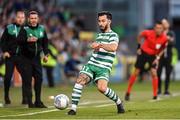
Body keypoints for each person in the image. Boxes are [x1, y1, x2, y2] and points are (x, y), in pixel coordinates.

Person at [67, 11, 125, 115]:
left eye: (103, 21)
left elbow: (113, 47)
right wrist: (94, 48)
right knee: (80, 80)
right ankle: (73, 109)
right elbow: (98, 50)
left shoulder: (114, 35)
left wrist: (100, 45)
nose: (100, 23)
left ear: (109, 21)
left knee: (102, 88)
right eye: (99, 21)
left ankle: (119, 102)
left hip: (104, 67)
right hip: (92, 64)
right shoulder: (99, 35)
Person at [124, 21, 168, 101]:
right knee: (136, 72)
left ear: (162, 29)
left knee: (154, 73)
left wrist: (158, 57)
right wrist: (138, 47)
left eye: (160, 28)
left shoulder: (164, 38)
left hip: (153, 56)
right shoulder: (147, 33)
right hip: (143, 53)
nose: (159, 30)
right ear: (154, 28)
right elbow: (140, 36)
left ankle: (155, 95)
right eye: (157, 28)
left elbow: (163, 48)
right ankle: (128, 92)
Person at [18, 11, 49, 108]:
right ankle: (30, 102)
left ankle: (38, 101)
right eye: (32, 18)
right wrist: (27, 40)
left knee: (39, 80)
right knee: (27, 81)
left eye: (35, 18)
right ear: (28, 19)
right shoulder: (24, 29)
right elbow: (18, 41)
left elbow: (45, 43)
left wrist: (46, 55)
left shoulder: (42, 29)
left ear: (38, 19)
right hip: (26, 59)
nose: (33, 20)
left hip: (36, 59)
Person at [0, 10, 30, 105]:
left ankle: (25, 98)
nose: (20, 19)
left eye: (22, 17)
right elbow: (2, 41)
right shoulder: (9, 28)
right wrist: (5, 51)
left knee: (25, 77)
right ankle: (6, 96)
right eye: (19, 17)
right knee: (8, 78)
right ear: (15, 18)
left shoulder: (27, 29)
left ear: (24, 19)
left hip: (22, 57)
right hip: (11, 57)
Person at [157, 19, 176, 95]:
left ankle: (166, 90)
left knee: (168, 73)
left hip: (168, 56)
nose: (164, 24)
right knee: (159, 73)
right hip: (160, 56)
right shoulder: (159, 33)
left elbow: (172, 42)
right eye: (162, 23)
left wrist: (168, 39)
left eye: (165, 23)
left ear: (168, 24)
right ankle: (159, 90)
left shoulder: (171, 33)